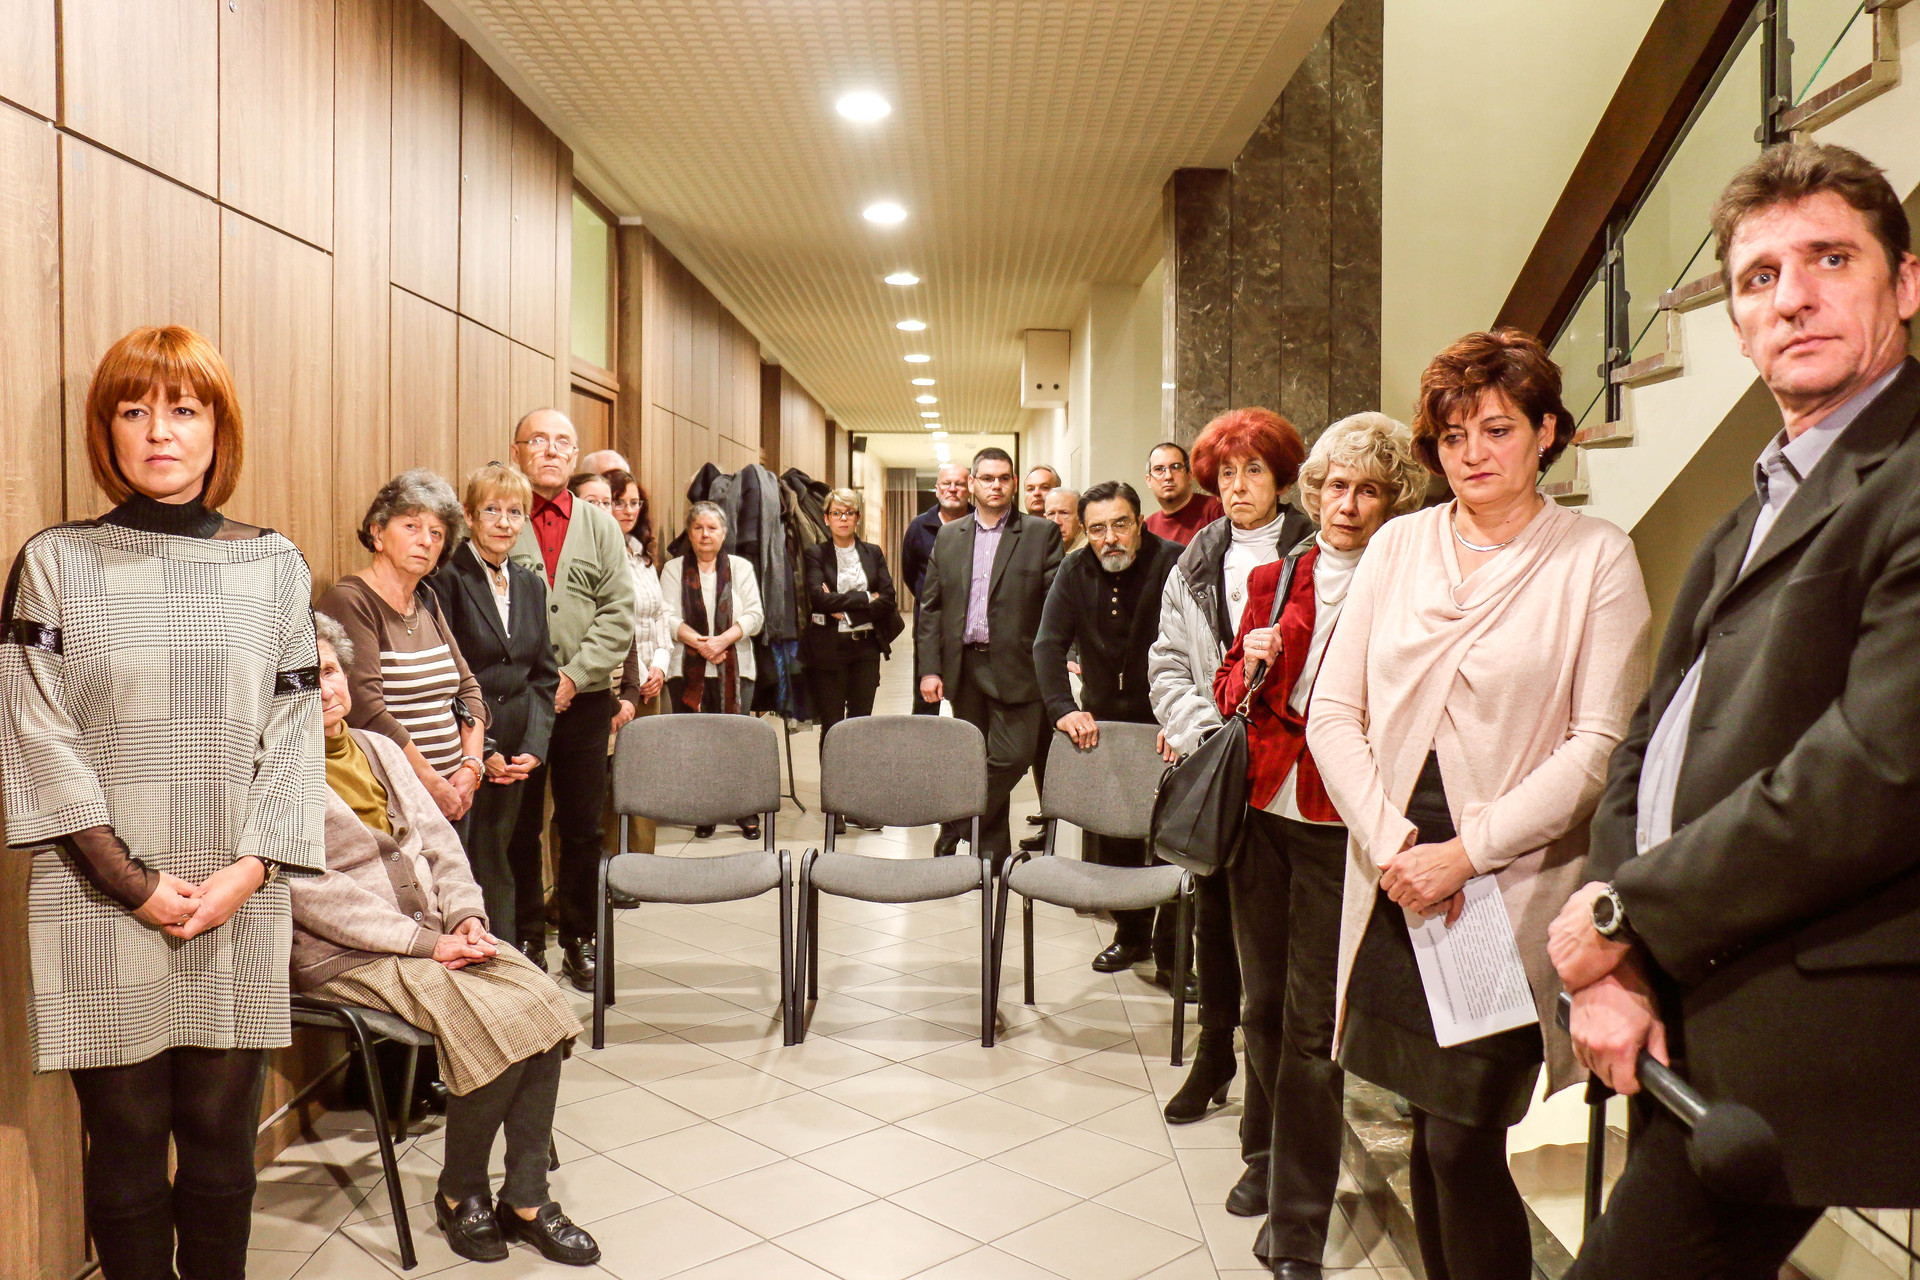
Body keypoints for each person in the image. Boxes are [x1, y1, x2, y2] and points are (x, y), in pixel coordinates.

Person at [1554, 142, 1920, 1279]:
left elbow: (1877, 771)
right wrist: (1615, 940)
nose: (1792, 296)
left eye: (1831, 259)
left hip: (1816, 1010)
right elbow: (1650, 741)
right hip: (1697, 985)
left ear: (1907, 283)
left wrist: (1623, 913)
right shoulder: (1750, 507)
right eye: (1760, 276)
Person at [1307, 330, 1651, 1280]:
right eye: (1454, 435)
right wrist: (1391, 844)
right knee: (1427, 1131)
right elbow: (1333, 711)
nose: (1474, 453)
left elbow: (1600, 745)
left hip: (1501, 888)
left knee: (1466, 1141)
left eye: (1498, 429)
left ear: (1547, 432)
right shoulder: (1399, 545)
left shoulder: (1594, 557)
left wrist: (1462, 855)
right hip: (1395, 877)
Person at [0, 325, 325, 1278]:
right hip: (97, 896)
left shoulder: (275, 564)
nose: (160, 431)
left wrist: (250, 870)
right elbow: (35, 733)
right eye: (135, 410)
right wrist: (133, 883)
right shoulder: (55, 561)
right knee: (126, 1147)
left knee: (223, 1149)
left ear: (219, 429)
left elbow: (294, 732)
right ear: (106, 429)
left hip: (237, 892)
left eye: (184, 410)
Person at [298, 617, 598, 1267]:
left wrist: (464, 916)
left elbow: (440, 840)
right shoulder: (274, 772)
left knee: (542, 1003)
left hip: (434, 933)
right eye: (302, 679)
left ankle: (526, 1198)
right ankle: (461, 1192)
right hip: (349, 951)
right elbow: (311, 893)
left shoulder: (377, 747)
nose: (323, 689)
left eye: (328, 671)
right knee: (491, 1023)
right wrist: (423, 942)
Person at [1209, 413, 1427, 1274]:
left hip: (1343, 828)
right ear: (1315, 491)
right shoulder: (1275, 576)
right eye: (1337, 486)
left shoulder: (1408, 584)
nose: (1349, 504)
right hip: (1263, 813)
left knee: (1311, 1026)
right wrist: (1250, 660)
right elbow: (1228, 689)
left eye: (1370, 490)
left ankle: (1298, 1218)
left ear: (1392, 502)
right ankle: (1263, 1155)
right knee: (1260, 1008)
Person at [1148, 409, 1312, 1165]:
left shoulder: (1313, 547)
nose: (1239, 486)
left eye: (1254, 471)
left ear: (1281, 478)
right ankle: (1215, 1052)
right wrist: (1208, 735)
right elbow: (1167, 661)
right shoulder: (1195, 558)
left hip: (1288, 772)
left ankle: (1277, 1084)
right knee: (1212, 918)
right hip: (1217, 762)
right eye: (1226, 473)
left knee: (1279, 939)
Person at [506, 409, 635, 994]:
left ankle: (580, 937)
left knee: (582, 825)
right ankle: (526, 936)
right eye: (538, 440)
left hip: (586, 700)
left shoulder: (601, 526)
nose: (551, 451)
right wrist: (536, 682)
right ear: (518, 450)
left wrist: (576, 676)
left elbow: (618, 613)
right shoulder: (501, 518)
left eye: (563, 442)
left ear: (575, 455)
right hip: (518, 700)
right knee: (518, 825)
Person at [1032, 480, 1182, 977]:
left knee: (1173, 841)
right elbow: (1047, 644)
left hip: (1167, 724)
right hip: (1107, 724)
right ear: (1084, 530)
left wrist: (1184, 718)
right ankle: (1132, 936)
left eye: (1120, 524)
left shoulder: (1176, 562)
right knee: (1117, 836)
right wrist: (1062, 708)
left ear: (1140, 523)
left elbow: (1203, 646)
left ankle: (1175, 955)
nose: (1110, 538)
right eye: (1097, 529)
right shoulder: (1074, 570)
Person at [427, 463, 559, 967]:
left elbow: (542, 676)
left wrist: (533, 748)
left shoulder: (530, 585)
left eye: (515, 512)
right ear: (468, 515)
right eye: (492, 510)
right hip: (463, 750)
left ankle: (508, 971)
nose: (504, 522)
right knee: (469, 866)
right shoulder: (445, 580)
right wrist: (485, 751)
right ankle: (486, 973)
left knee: (500, 859)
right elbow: (448, 675)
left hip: (518, 755)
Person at [916, 447, 1063, 863]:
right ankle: (992, 858)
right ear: (972, 484)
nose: (995, 485)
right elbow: (931, 609)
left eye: (1003, 478)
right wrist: (929, 669)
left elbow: (1055, 604)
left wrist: (1060, 656)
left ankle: (956, 820)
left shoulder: (1040, 533)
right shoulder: (950, 536)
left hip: (1020, 667)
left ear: (1013, 482)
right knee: (976, 759)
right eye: (987, 478)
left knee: (1014, 755)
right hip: (964, 665)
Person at [320, 471, 489, 826]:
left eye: (436, 533)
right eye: (412, 526)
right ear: (378, 533)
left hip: (455, 793)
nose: (425, 541)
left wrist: (472, 768)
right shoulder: (351, 600)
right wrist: (430, 783)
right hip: (395, 799)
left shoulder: (425, 598)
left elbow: (469, 688)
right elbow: (366, 710)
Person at [660, 501, 766, 840]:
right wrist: (701, 643)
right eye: (698, 528)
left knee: (735, 740)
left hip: (736, 667)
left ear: (724, 533)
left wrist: (721, 641)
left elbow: (755, 616)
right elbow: (666, 615)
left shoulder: (741, 567)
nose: (705, 534)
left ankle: (743, 809)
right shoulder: (673, 569)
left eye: (712, 528)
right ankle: (705, 809)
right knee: (697, 743)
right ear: (689, 533)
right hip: (685, 668)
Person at [803, 488, 902, 833]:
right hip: (828, 652)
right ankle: (835, 806)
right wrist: (865, 599)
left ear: (858, 518)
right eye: (836, 513)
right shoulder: (815, 554)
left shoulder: (873, 553)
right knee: (833, 727)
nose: (843, 519)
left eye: (849, 513)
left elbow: (888, 599)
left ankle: (856, 804)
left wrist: (844, 605)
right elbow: (817, 599)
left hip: (865, 651)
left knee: (860, 728)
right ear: (826, 518)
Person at [598, 467, 671, 858]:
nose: (628, 511)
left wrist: (660, 664)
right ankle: (611, 865)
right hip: (618, 683)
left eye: (634, 503)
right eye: (618, 502)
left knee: (644, 778)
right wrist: (638, 676)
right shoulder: (601, 553)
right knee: (610, 782)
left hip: (650, 681)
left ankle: (642, 862)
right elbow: (615, 625)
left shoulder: (641, 554)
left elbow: (659, 615)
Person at [901, 462, 971, 715]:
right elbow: (910, 573)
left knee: (971, 701)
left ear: (969, 488)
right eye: (946, 483)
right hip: (929, 628)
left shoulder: (982, 523)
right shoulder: (919, 527)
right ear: (937, 489)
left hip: (971, 627)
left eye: (959, 484)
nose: (953, 489)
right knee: (926, 701)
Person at [1143, 441, 1225, 545]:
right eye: (1159, 469)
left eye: (1175, 467)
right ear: (1148, 480)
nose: (1168, 476)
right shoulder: (1147, 528)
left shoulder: (1216, 511)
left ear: (1190, 475)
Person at [1041, 486, 1086, 553]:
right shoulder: (1040, 551)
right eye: (1051, 514)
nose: (1056, 521)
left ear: (1080, 517)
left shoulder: (1091, 551)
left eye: (1064, 513)